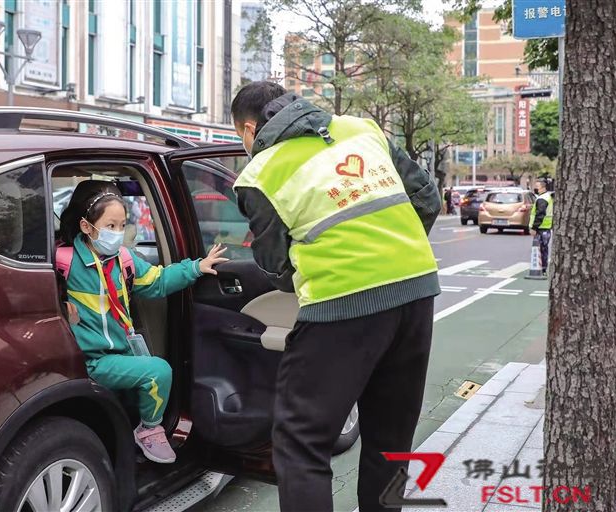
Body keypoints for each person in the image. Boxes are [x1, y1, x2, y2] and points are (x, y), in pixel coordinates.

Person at [230, 81, 441, 512]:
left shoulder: (261, 173)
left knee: (301, 443)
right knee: (391, 438)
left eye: (240, 138)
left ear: (249, 129)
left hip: (341, 304)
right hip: (417, 289)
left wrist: (314, 277)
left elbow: (274, 264)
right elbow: (426, 198)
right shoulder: (362, 129)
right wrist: (390, 255)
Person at [59, 187, 228, 463]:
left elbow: (158, 281)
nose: (118, 233)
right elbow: (31, 290)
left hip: (119, 353)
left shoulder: (124, 260)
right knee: (158, 371)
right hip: (88, 359)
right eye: (110, 226)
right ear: (86, 226)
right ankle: (149, 429)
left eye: (122, 225)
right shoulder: (64, 261)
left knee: (143, 376)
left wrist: (196, 268)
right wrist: (59, 303)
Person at [530, 179, 554, 274]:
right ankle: (542, 267)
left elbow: (540, 214)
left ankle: (541, 268)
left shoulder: (542, 199)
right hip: (546, 227)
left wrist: (534, 228)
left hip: (541, 228)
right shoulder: (547, 197)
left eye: (537, 187)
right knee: (543, 248)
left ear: (543, 188)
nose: (535, 188)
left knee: (540, 248)